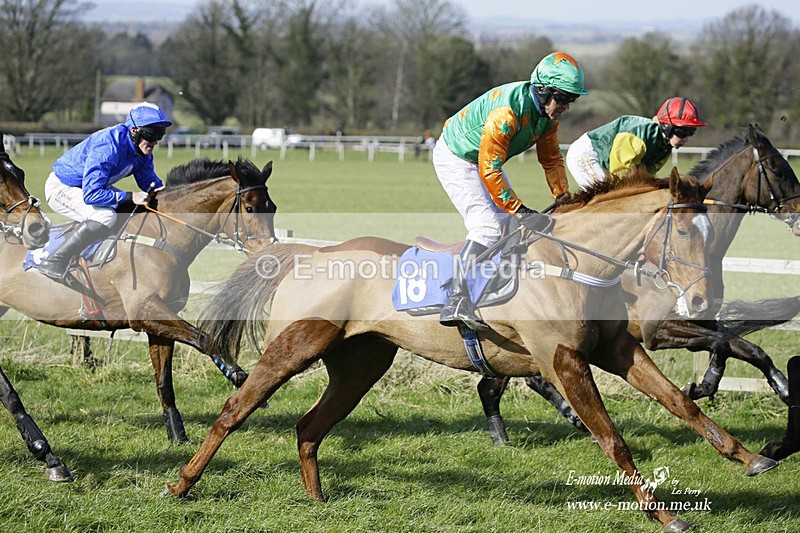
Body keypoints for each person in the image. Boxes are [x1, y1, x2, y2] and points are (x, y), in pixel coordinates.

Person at [433, 51, 588, 331]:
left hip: (484, 160)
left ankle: (495, 289)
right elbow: (489, 169)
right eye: (563, 98)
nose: (567, 105)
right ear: (542, 91)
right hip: (457, 156)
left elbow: (551, 159)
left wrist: (562, 196)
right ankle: (455, 298)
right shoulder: (506, 114)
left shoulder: (548, 118)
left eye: (571, 99)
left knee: (509, 227)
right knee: (487, 227)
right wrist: (520, 210)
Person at [37, 102, 172, 280]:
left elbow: (150, 182)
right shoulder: (107, 146)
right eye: (152, 134)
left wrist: (170, 194)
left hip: (90, 187)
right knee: (105, 216)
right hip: (63, 187)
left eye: (160, 134)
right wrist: (130, 196)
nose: (155, 141)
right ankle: (55, 261)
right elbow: (92, 194)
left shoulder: (141, 151)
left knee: (130, 210)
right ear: (134, 131)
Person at [566, 97, 707, 190]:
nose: (686, 139)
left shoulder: (664, 147)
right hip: (586, 155)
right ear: (667, 126)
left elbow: (645, 178)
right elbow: (622, 175)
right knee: (608, 198)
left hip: (608, 165)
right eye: (683, 132)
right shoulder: (638, 135)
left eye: (691, 132)